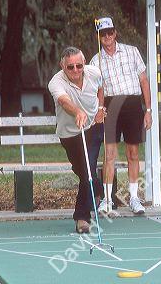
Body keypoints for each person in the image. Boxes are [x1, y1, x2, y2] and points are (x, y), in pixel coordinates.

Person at [90, 16, 152, 214]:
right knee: (110, 155)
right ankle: (107, 200)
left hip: (133, 104)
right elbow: (98, 89)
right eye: (103, 34)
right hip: (110, 106)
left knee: (133, 153)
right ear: (99, 37)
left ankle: (134, 198)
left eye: (110, 32)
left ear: (115, 33)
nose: (107, 37)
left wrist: (148, 110)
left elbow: (144, 81)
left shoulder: (132, 52)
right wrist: (100, 109)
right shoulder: (95, 60)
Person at [48, 46, 105, 233]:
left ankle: (81, 217)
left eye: (78, 66)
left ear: (84, 63)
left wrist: (100, 109)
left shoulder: (94, 72)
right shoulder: (56, 82)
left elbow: (101, 87)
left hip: (92, 128)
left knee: (88, 168)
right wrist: (77, 111)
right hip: (69, 134)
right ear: (62, 66)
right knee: (83, 171)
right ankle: (97, 189)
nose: (75, 71)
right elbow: (64, 102)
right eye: (70, 67)